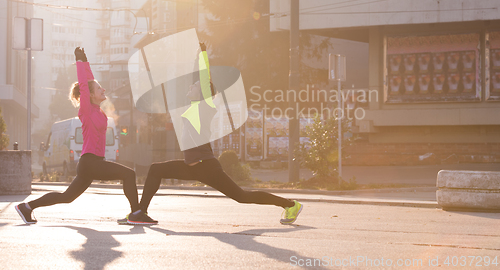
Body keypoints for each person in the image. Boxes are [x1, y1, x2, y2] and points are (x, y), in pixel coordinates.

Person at [126, 43, 302, 225]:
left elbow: (204, 78)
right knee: (156, 169)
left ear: (203, 92)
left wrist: (202, 55)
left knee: (241, 196)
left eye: (194, 86)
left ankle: (290, 205)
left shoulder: (205, 106)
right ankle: (140, 213)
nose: (190, 87)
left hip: (206, 167)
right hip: (191, 166)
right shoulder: (194, 107)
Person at [15, 47, 140, 225]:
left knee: (67, 197)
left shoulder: (97, 110)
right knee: (129, 174)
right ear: (89, 95)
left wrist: (86, 60)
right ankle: (136, 213)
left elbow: (89, 82)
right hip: (91, 162)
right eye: (99, 88)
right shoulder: (87, 110)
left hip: (91, 163)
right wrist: (79, 62)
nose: (103, 89)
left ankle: (26, 207)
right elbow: (85, 85)